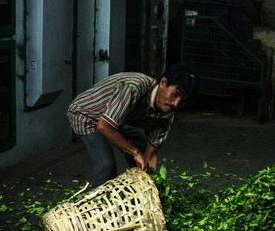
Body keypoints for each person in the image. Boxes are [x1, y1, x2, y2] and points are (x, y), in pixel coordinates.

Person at [67, 63, 198, 188]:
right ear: (163, 83)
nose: (175, 103)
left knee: (142, 157)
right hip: (87, 115)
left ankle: (137, 197)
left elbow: (151, 154)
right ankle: (95, 207)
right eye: (175, 95)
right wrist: (133, 151)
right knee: (106, 165)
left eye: (182, 101)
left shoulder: (167, 115)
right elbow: (104, 127)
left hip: (118, 118)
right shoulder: (134, 87)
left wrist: (151, 185)